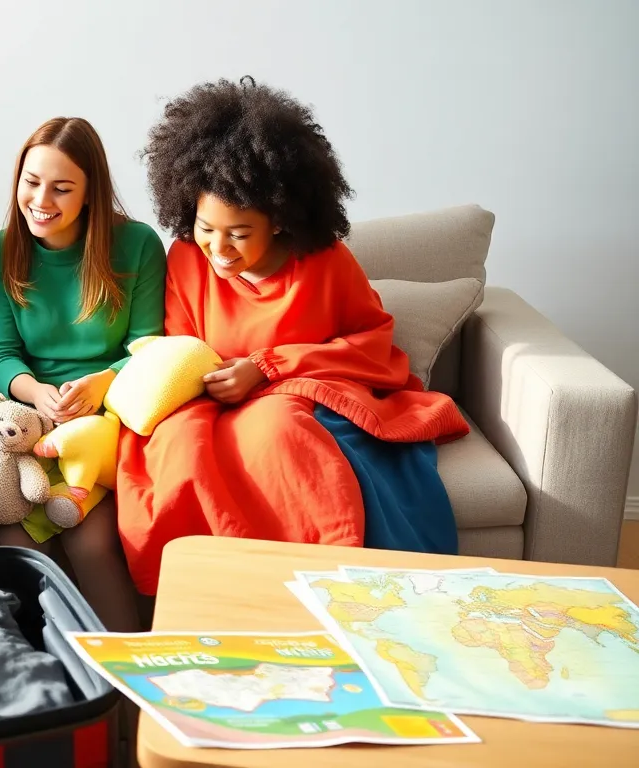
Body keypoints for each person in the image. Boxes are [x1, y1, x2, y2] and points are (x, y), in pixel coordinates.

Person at [118, 77, 468, 596]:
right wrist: (216, 381)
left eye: (238, 234)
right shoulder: (186, 257)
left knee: (278, 430)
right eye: (205, 227)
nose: (219, 249)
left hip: (300, 394)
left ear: (279, 220)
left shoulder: (326, 262)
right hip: (211, 402)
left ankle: (325, 592)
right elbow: (181, 349)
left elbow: (372, 340)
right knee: (180, 449)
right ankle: (214, 599)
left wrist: (266, 368)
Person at [0, 117, 166, 633]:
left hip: (110, 413)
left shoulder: (138, 246)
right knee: (14, 543)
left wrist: (105, 381)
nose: (42, 200)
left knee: (92, 541)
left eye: (62, 189)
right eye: (31, 182)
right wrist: (37, 393)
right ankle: (59, 686)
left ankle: (127, 696)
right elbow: (0, 353)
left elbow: (148, 346)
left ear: (90, 193)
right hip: (30, 416)